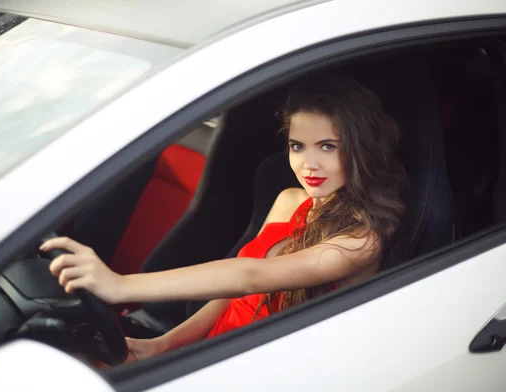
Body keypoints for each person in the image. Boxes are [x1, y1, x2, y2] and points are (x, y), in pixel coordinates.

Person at [40, 75, 408, 364]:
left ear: (359, 149)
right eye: (298, 146)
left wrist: (121, 285)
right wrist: (164, 344)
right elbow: (231, 294)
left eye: (327, 146)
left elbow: (248, 277)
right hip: (212, 349)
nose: (308, 164)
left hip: (255, 368)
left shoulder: (360, 240)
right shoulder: (289, 200)